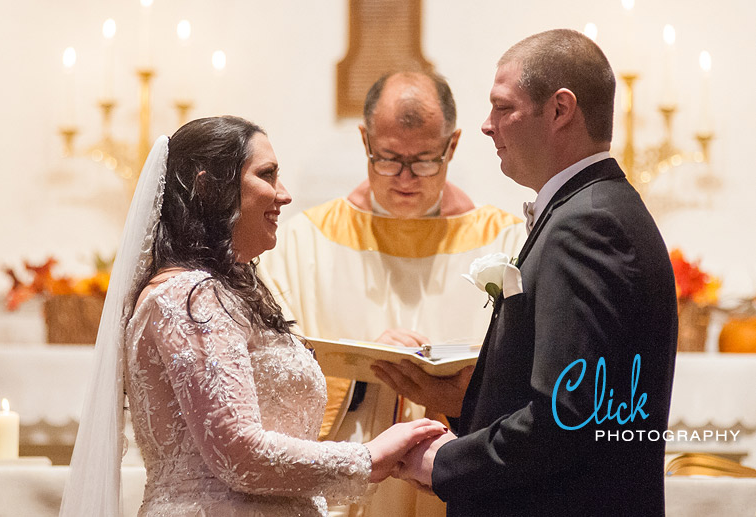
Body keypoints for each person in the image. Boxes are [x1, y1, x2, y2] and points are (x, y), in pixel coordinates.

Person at [59, 116, 447, 516]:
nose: (285, 195)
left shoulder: (228, 291)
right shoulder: (186, 295)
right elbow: (238, 453)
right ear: (209, 187)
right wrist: (367, 459)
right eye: (268, 175)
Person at [395, 29, 678, 516]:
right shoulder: (593, 208)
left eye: (503, 108)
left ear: (559, 110)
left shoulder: (587, 225)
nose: (487, 126)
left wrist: (444, 464)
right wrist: (466, 401)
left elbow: (567, 418)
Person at [260, 72, 525, 516]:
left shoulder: (507, 242)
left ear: (453, 146)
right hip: (350, 488)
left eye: (424, 160)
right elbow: (267, 376)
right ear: (365, 140)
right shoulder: (301, 244)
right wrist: (360, 372)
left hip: (458, 477)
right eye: (387, 159)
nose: (405, 178)